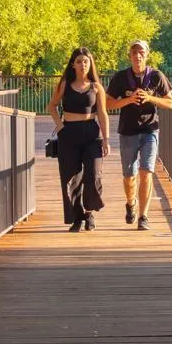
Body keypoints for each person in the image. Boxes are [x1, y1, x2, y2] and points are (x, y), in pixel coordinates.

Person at [105, 40, 172, 230]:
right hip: (127, 131)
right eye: (134, 52)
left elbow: (170, 103)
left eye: (141, 52)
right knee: (129, 175)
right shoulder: (121, 77)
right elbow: (107, 103)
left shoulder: (156, 76)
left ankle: (144, 216)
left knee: (146, 172)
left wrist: (150, 97)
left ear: (147, 54)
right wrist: (129, 100)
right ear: (130, 56)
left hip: (150, 130)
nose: (137, 56)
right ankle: (130, 203)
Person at [44, 47, 109, 231]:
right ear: (73, 65)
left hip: (91, 134)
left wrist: (106, 139)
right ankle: (77, 218)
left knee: (93, 175)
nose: (83, 64)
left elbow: (103, 114)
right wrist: (60, 126)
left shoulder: (97, 87)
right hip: (69, 134)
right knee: (71, 178)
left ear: (91, 64)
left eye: (86, 61)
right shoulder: (65, 84)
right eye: (79, 61)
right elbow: (52, 106)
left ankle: (89, 212)